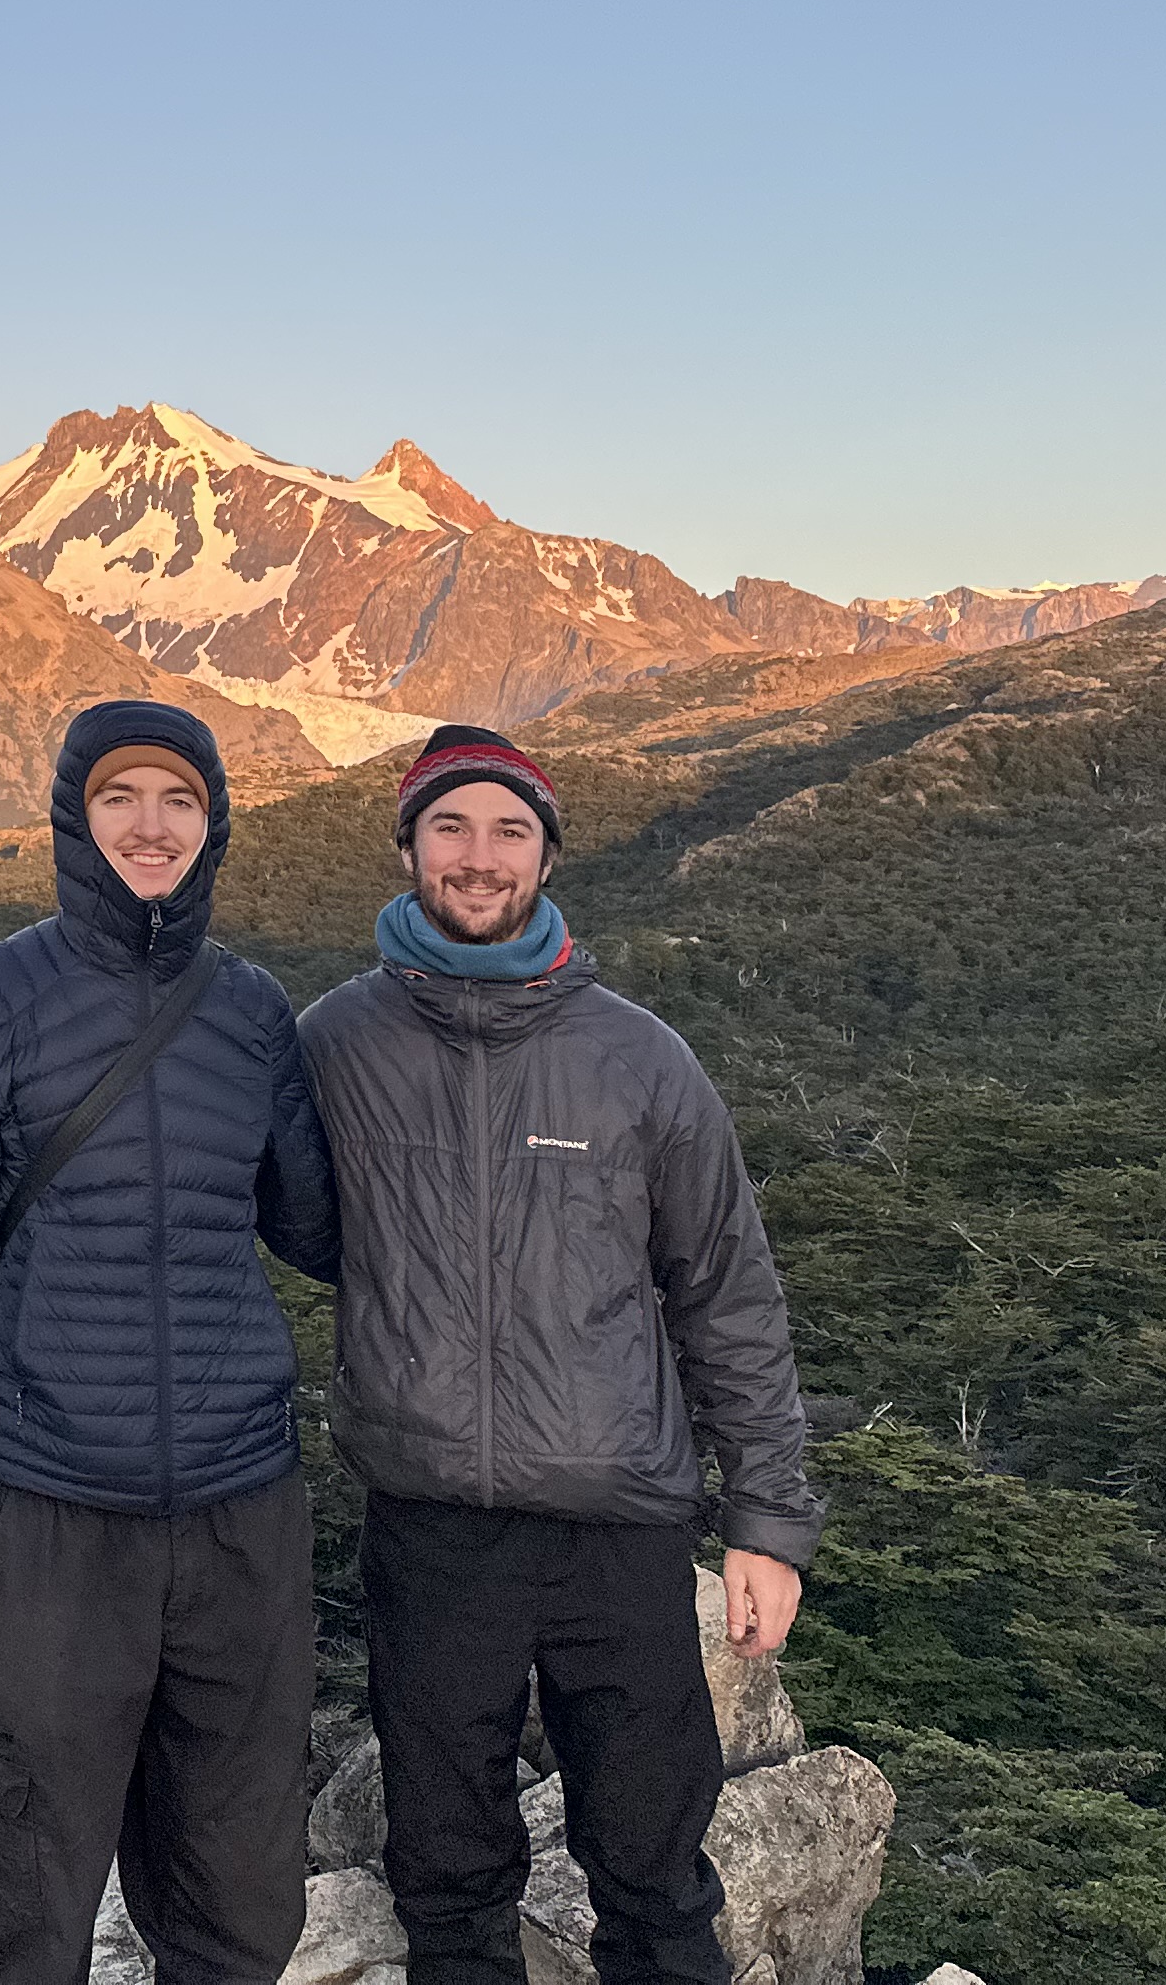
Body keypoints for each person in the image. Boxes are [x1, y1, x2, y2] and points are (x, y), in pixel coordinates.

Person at [298, 725, 821, 1985]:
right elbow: (284, 1222)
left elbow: (728, 1296)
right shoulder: (335, 1044)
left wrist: (766, 1520)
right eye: (450, 827)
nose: (479, 857)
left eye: (509, 830)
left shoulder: (640, 1059)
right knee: (445, 1868)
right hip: (432, 1519)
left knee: (653, 1864)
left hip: (619, 1524)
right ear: (409, 847)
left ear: (546, 855)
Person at [0, 700, 342, 1985]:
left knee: (239, 1884)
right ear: (75, 819)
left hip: (243, 1511)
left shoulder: (249, 1010)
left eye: (180, 800)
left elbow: (321, 1231)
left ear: (214, 825)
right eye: (121, 796)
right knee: (34, 1890)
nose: (151, 824)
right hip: (52, 1513)